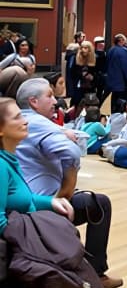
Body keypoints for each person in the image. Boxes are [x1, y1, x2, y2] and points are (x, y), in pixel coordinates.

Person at [14, 78, 123, 288]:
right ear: (33, 102)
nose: (55, 101)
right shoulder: (37, 122)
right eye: (49, 96)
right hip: (41, 206)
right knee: (100, 204)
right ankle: (96, 274)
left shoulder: (19, 121)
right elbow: (71, 153)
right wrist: (66, 191)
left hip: (25, 204)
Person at [0, 96, 75, 235]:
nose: (25, 121)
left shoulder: (10, 158)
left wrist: (52, 202)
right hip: (20, 240)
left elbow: (25, 198)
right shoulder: (1, 165)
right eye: (17, 118)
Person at [104, 34, 127, 114]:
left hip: (111, 79)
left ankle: (113, 115)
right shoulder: (123, 51)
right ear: (121, 41)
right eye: (124, 40)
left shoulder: (110, 50)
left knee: (114, 99)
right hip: (120, 81)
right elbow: (125, 67)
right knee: (120, 102)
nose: (126, 41)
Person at [67, 39, 97, 106]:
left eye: (85, 48)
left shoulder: (95, 59)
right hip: (78, 86)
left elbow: (97, 73)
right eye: (82, 48)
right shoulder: (75, 58)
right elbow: (72, 73)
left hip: (90, 87)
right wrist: (81, 75)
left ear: (90, 49)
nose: (83, 50)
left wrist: (93, 77)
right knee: (76, 102)